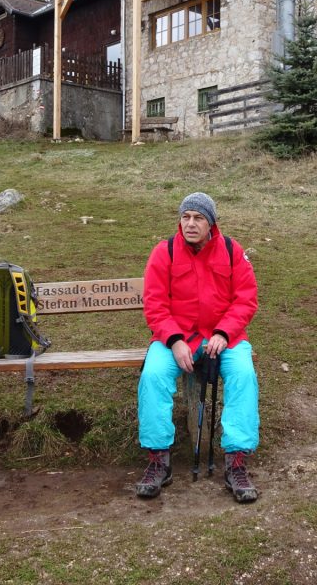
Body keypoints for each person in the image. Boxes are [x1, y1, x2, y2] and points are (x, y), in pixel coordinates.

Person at [135, 192, 261, 503]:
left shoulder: (232, 251)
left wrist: (224, 332)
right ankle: (158, 459)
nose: (190, 224)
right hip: (175, 337)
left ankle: (236, 461)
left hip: (225, 337)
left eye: (198, 218)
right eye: (186, 217)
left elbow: (246, 300)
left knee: (244, 375)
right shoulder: (163, 252)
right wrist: (175, 341)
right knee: (152, 376)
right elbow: (154, 304)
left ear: (211, 223)